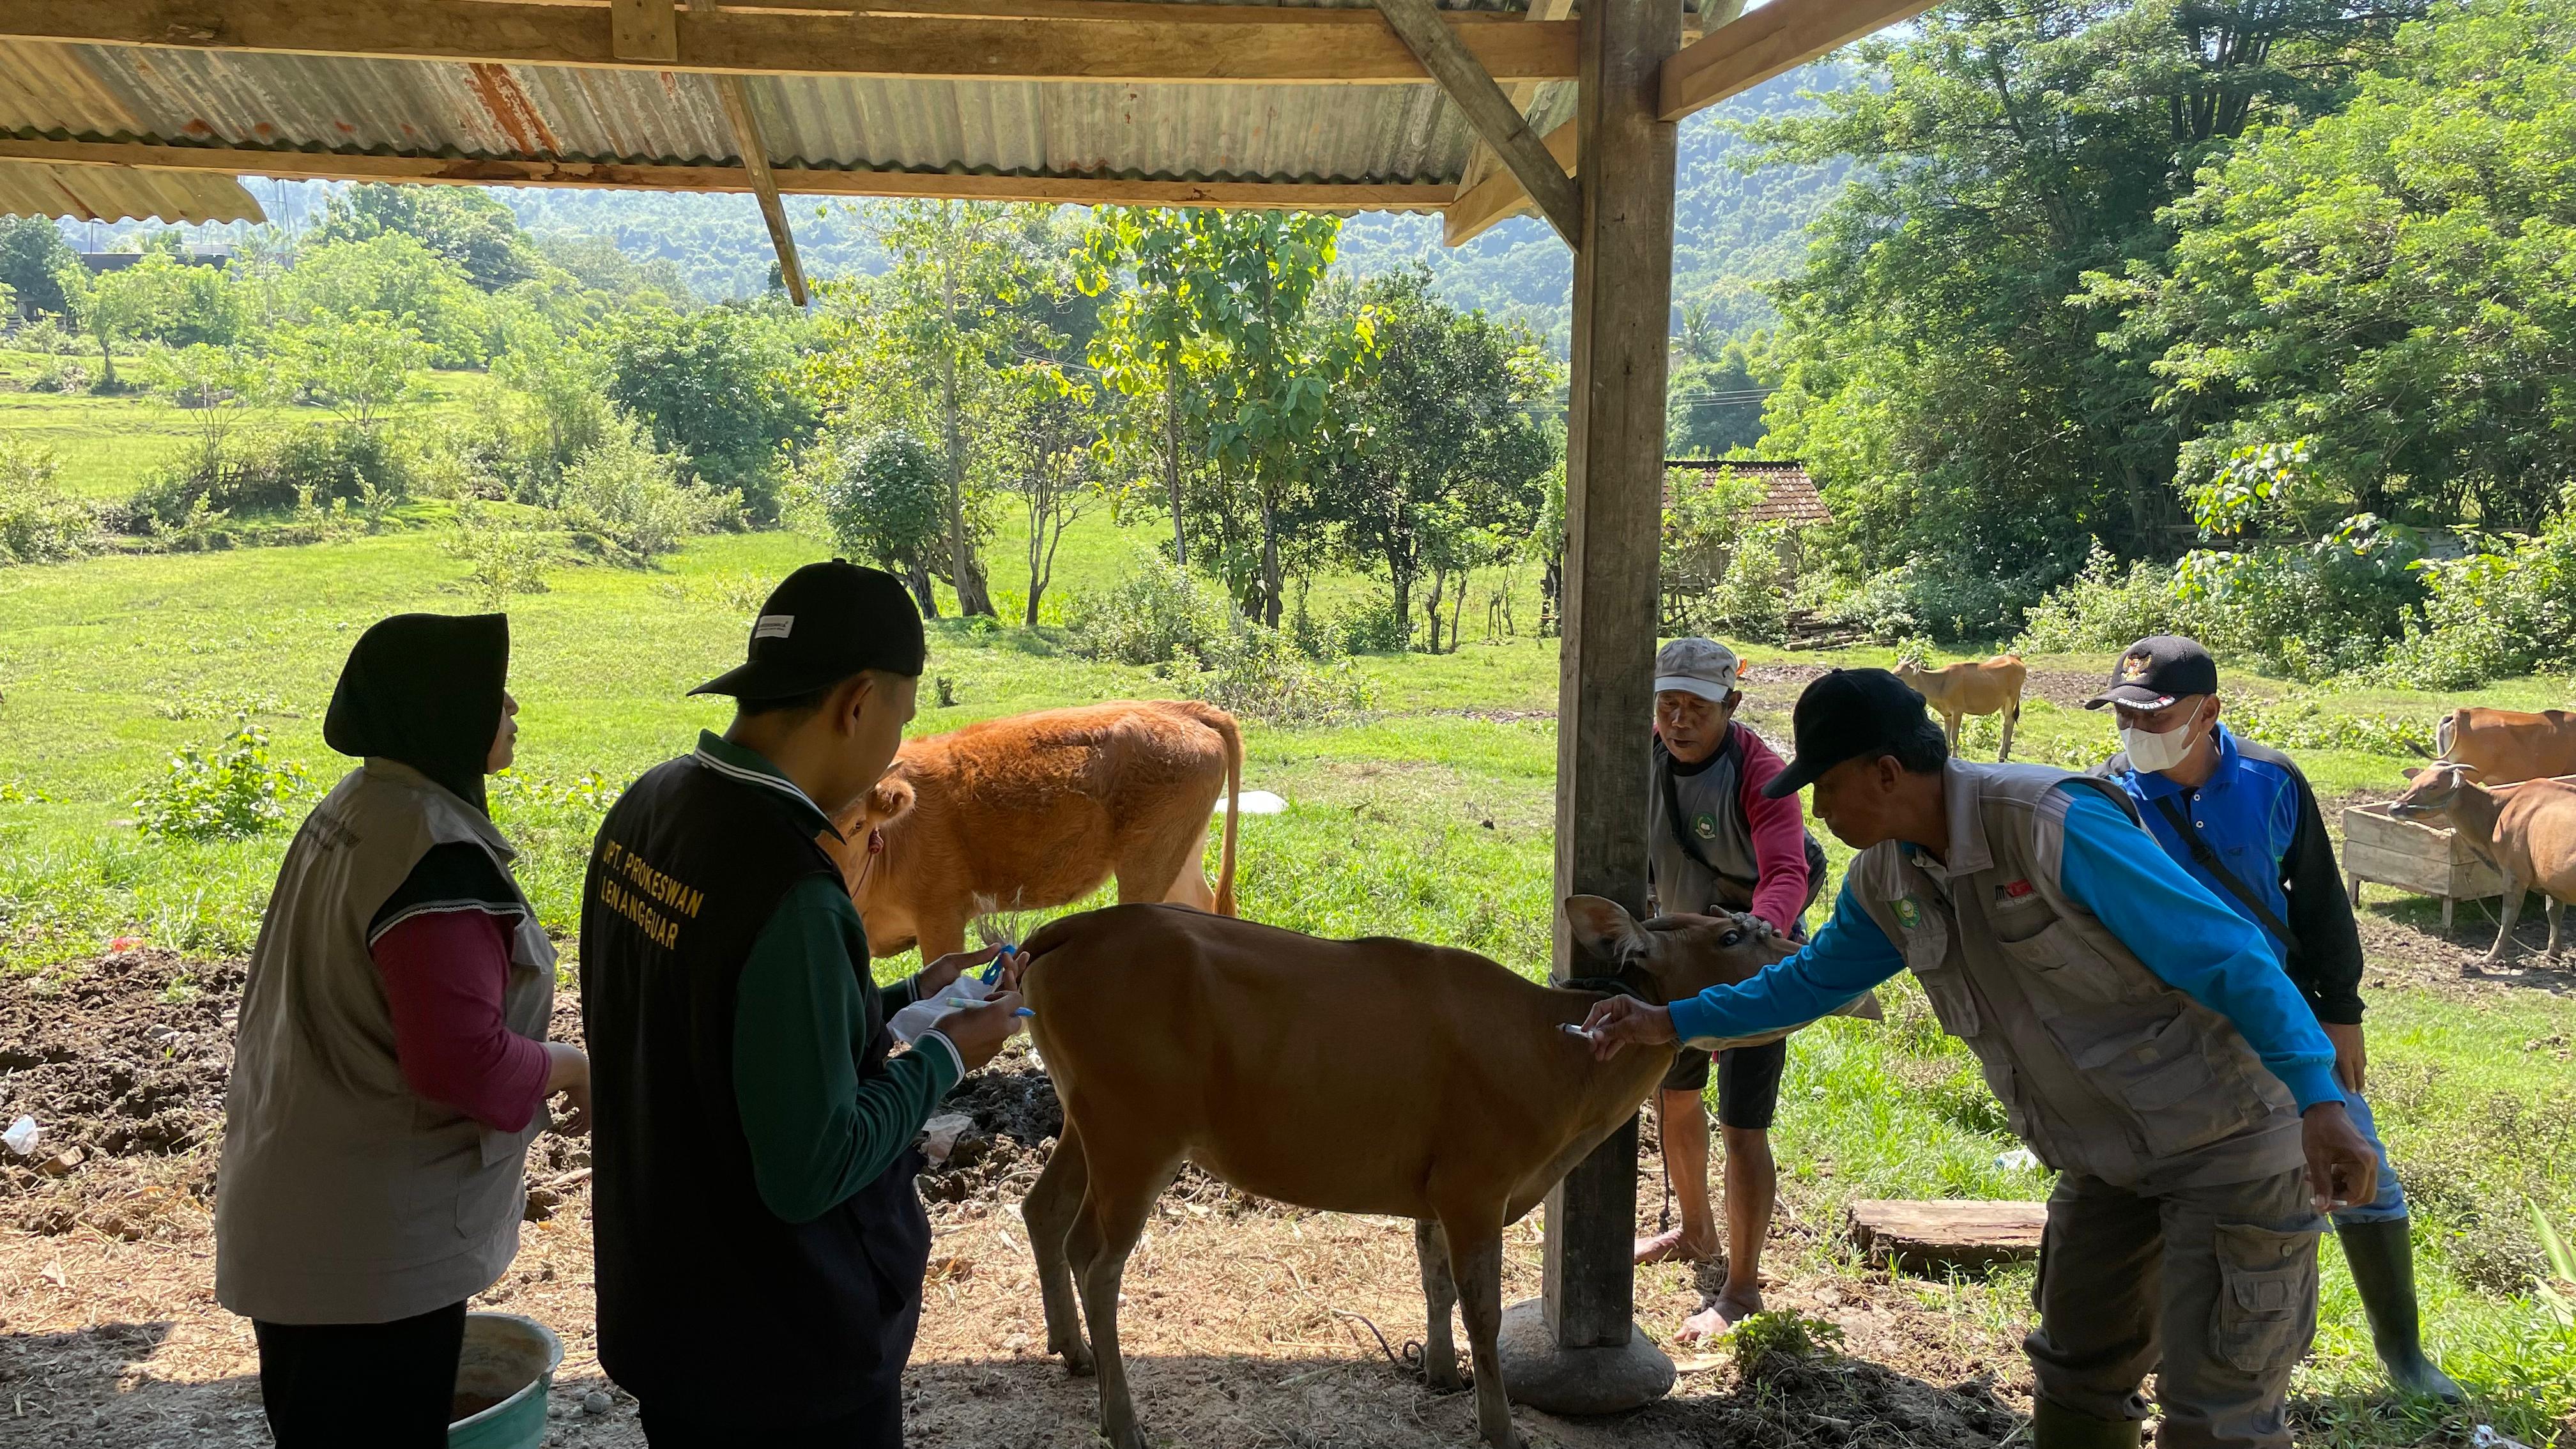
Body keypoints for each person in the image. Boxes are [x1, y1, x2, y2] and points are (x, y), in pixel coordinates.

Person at [1581, 668, 2382, 1449]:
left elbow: (2232, 957)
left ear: (1888, 772)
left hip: (2228, 1144)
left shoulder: (2048, 823)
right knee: (2075, 1378)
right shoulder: (1886, 878)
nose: (1818, 810)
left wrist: (2321, 1100)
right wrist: (1672, 1021)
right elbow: (1808, 983)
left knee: (2216, 1415)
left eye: (1827, 787)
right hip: (2108, 1163)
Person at [581, 560, 1031, 1447]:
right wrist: (946, 1056)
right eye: (902, 718)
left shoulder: (650, 805)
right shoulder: (793, 886)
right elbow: (809, 1168)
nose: (897, 746)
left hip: (669, 1306)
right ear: (857, 703)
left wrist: (901, 1000)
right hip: (783, 1353)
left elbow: (713, 1019)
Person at [217, 613, 590, 1449]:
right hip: (365, 1257)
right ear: (442, 710)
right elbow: (463, 1064)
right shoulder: (434, 856)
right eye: (493, 692)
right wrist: (573, 1066)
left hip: (312, 1215)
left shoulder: (361, 807)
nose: (513, 705)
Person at [2090, 634, 2462, 1400]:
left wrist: (2341, 1013)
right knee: (2181, 1182)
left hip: (2281, 1016)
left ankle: (2404, 1356)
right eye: (2122, 713)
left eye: (2152, 716)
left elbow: (2322, 906)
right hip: (2170, 1023)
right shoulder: (2108, 799)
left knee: (2362, 1171)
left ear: (2209, 712)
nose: (2134, 731)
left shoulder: (2272, 780)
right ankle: (2172, 1343)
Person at [1638, 638, 1827, 1341]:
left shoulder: (1762, 772)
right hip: (1676, 957)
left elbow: (1785, 872)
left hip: (1751, 960)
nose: (1679, 721)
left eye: (1696, 707)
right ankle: (1694, 1233)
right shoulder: (1643, 760)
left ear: (1733, 706)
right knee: (1675, 1093)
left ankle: (1741, 1290)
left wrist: (1753, 938)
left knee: (1744, 1123)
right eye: (1668, 706)